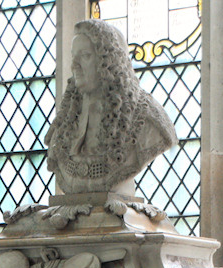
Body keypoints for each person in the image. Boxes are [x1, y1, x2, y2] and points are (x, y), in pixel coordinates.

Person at [45, 19, 177, 196]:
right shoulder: (63, 124)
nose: (74, 66)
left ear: (108, 61)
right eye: (74, 57)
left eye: (85, 56)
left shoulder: (148, 119)